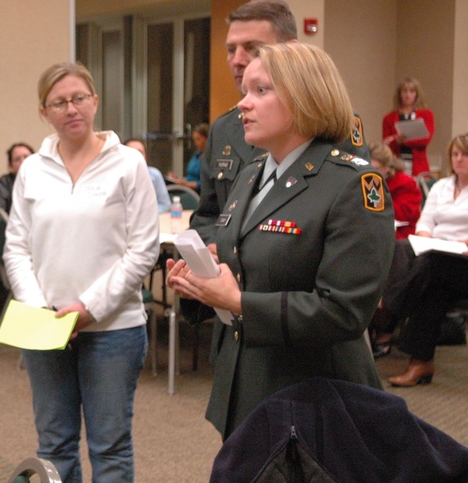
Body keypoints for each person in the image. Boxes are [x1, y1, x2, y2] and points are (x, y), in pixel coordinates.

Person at [166, 43, 393, 440]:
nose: (242, 104)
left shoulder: (350, 184)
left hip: (315, 396)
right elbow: (244, 266)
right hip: (247, 383)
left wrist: (237, 301)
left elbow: (344, 311)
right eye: (245, 91)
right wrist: (202, 286)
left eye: (260, 90)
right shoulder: (252, 172)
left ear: (306, 96)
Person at [3, 62, 159, 483]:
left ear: (94, 100)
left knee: (110, 451)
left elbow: (143, 249)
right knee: (55, 449)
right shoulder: (32, 169)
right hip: (46, 328)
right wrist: (41, 309)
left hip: (113, 329)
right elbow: (16, 249)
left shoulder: (127, 164)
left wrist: (87, 309)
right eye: (58, 102)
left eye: (79, 98)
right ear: (43, 112)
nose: (71, 109)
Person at [191, 0, 368, 246]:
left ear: (291, 49)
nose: (238, 60)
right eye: (231, 50)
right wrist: (216, 248)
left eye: (253, 48)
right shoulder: (224, 127)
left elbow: (348, 212)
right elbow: (208, 215)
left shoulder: (329, 122)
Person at [368, 134, 468, 385]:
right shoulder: (441, 186)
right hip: (436, 253)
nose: (459, 159)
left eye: (464, 154)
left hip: (463, 258)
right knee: (404, 249)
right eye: (455, 154)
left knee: (432, 265)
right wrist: (425, 237)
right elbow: (425, 221)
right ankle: (421, 363)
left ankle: (387, 312)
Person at [0, 142, 34, 318]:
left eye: (27, 157)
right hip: (14, 245)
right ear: (10, 165)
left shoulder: (45, 181)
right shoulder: (3, 184)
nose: (23, 162)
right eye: (17, 159)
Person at [368, 142, 421, 240]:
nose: (371, 173)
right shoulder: (361, 180)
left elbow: (405, 215)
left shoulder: (405, 182)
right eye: (368, 169)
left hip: (400, 234)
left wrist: (377, 194)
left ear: (387, 167)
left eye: (376, 169)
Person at [382, 78, 435, 176]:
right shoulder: (389, 118)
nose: (408, 95)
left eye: (411, 91)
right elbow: (386, 144)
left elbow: (425, 139)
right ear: (399, 94)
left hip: (418, 166)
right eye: (404, 91)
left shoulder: (426, 115)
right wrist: (396, 141)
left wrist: (402, 140)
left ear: (416, 94)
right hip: (396, 164)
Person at [125, 137, 171, 213]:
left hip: (149, 220)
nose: (136, 156)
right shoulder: (115, 177)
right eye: (131, 152)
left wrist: (146, 214)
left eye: (140, 152)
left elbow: (165, 204)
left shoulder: (154, 175)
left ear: (145, 157)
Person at [166, 123, 208, 191]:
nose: (196, 143)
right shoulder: (197, 155)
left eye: (198, 139)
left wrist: (186, 184)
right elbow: (190, 177)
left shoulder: (211, 158)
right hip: (188, 188)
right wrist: (177, 179)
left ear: (207, 139)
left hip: (198, 192)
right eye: (194, 140)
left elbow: (206, 184)